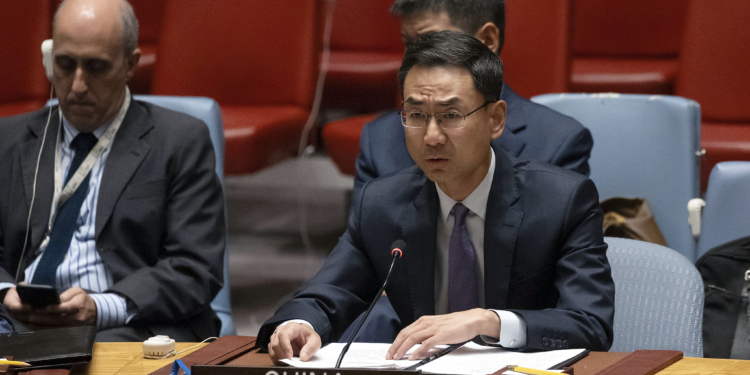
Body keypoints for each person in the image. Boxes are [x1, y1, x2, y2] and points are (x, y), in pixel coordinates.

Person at [260, 31, 614, 363]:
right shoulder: (382, 203)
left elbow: (590, 324)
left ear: (495, 119)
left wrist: (488, 322)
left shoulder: (561, 201)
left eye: (450, 116)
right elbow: (326, 296)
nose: (431, 136)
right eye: (416, 115)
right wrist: (300, 324)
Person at [0, 0, 225, 342]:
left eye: (96, 67)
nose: (77, 85)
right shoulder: (10, 139)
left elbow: (195, 269)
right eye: (64, 64)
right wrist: (5, 291)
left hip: (124, 325)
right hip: (15, 321)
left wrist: (101, 307)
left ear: (130, 65)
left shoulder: (179, 142)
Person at [354, 0, 592, 199]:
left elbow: (553, 249)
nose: (415, 59)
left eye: (433, 42)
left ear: (487, 40)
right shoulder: (379, 143)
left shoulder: (557, 145)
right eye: (409, 44)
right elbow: (364, 250)